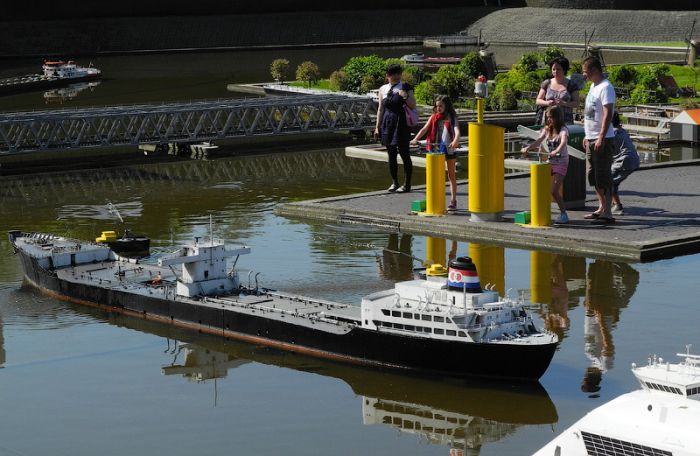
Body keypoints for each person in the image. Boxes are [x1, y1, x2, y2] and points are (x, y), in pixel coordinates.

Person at [521, 106, 570, 224]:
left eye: (551, 117)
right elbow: (539, 141)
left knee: (554, 191)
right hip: (550, 161)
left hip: (561, 162)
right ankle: (540, 210)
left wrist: (556, 151)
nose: (549, 120)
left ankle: (564, 214)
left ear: (557, 118)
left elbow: (563, 142)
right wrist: (528, 148)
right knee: (540, 186)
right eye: (547, 118)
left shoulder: (563, 130)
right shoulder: (547, 129)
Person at [410, 95, 461, 210]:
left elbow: (457, 131)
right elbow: (424, 129)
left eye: (441, 106)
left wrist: (455, 141)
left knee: (451, 175)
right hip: (435, 148)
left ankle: (453, 200)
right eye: (437, 106)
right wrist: (415, 139)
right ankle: (434, 198)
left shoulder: (452, 117)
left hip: (448, 147)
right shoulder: (433, 117)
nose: (438, 108)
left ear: (446, 106)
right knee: (435, 175)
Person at [582, 56, 616, 225]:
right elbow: (590, 113)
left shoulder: (606, 87)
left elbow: (607, 113)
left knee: (603, 175)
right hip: (590, 137)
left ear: (594, 71)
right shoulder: (593, 86)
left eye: (585, 72)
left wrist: (601, 136)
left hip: (602, 137)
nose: (584, 76)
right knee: (592, 175)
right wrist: (586, 135)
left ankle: (608, 212)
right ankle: (601, 207)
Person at [374, 64, 416, 193]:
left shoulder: (405, 87)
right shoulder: (383, 89)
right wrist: (377, 126)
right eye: (393, 74)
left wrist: (405, 96)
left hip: (401, 122)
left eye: (398, 73)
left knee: (404, 153)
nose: (396, 76)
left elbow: (413, 105)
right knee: (391, 154)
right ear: (387, 76)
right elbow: (381, 108)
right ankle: (394, 182)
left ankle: (407, 184)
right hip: (388, 121)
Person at [535, 57, 580, 125]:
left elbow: (577, 103)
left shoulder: (572, 85)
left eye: (558, 69)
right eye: (553, 69)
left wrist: (564, 103)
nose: (555, 71)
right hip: (548, 121)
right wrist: (547, 103)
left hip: (565, 121)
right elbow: (538, 100)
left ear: (564, 70)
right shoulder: (547, 83)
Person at [610, 112, 640, 215]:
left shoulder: (612, 133)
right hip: (633, 159)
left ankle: (614, 207)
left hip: (623, 161)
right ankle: (615, 205)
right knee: (613, 182)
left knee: (607, 182)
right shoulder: (621, 130)